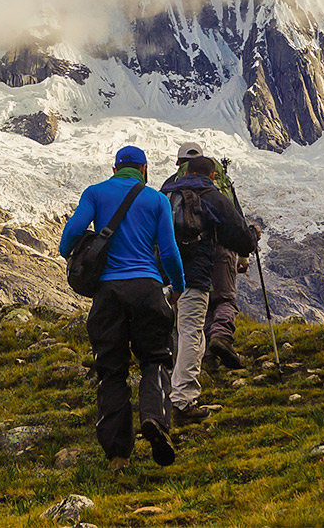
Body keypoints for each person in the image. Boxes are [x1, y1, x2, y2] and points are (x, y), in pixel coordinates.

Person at [59, 145, 186, 471]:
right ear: (144, 169)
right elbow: (169, 252)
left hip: (108, 295)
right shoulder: (156, 199)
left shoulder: (96, 193)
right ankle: (154, 420)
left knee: (111, 370)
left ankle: (118, 455)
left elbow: (70, 236)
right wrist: (179, 286)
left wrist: (74, 253)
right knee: (156, 360)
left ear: (115, 168)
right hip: (147, 289)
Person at [160, 155, 258, 424]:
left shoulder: (167, 192)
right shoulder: (211, 196)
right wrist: (251, 238)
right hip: (196, 274)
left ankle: (168, 393)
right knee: (192, 330)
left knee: (178, 331)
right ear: (213, 175)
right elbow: (238, 235)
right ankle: (184, 401)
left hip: (165, 274)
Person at [165, 142, 252, 370]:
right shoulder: (218, 187)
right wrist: (244, 253)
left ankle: (204, 358)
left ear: (180, 163)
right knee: (223, 298)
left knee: (194, 306)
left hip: (183, 254)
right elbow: (236, 221)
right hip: (222, 251)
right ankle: (221, 337)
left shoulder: (170, 187)